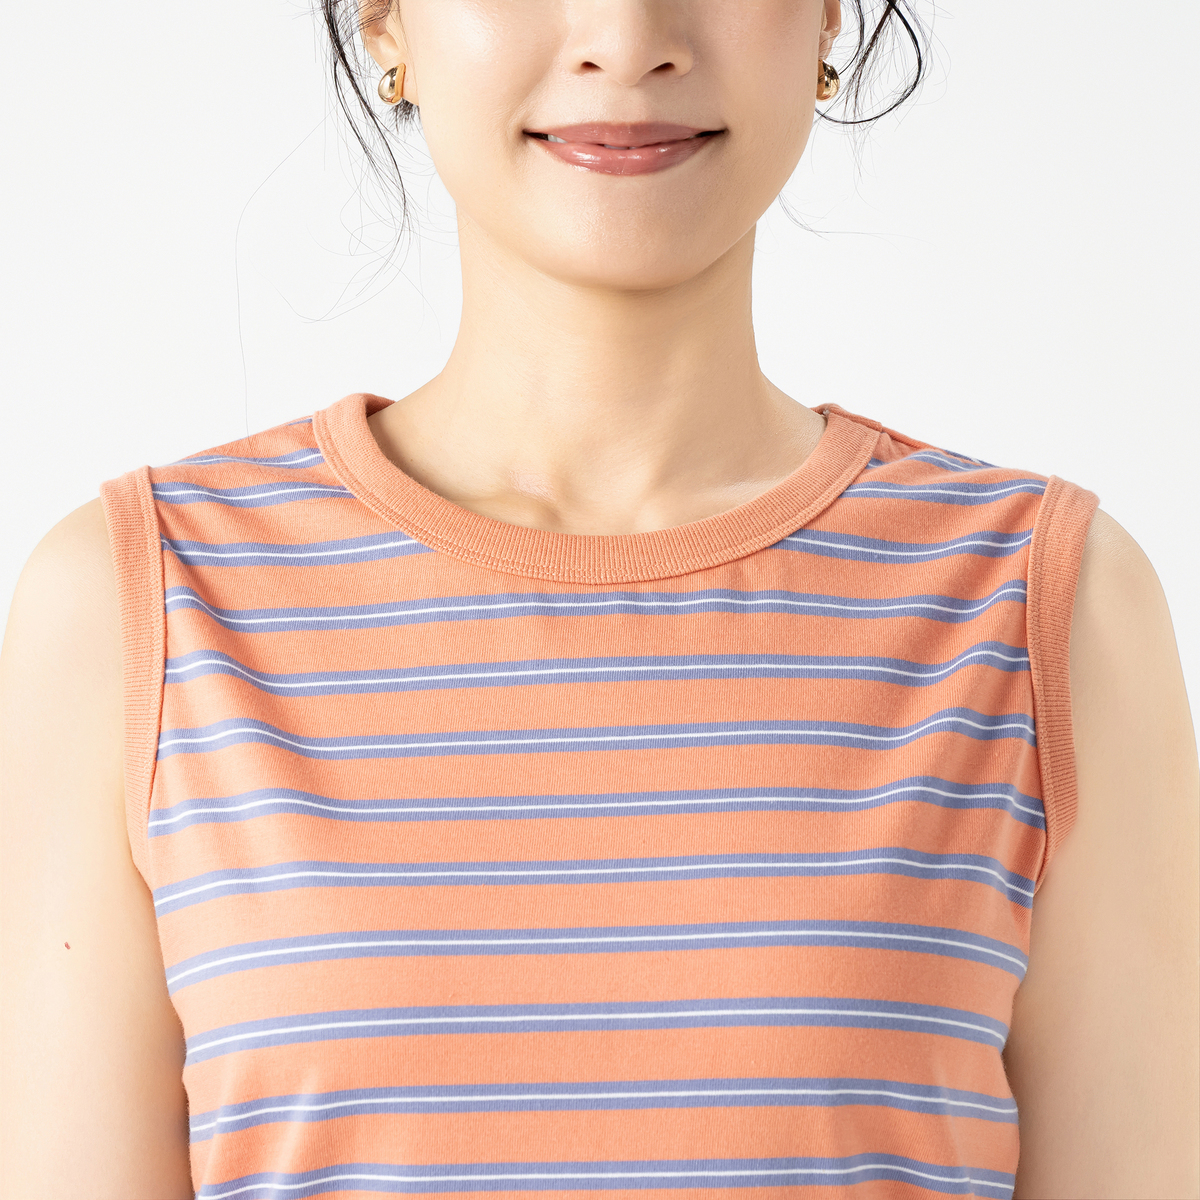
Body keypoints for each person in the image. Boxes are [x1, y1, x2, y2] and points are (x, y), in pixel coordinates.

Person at [2, 1, 1197, 1197]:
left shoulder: (1052, 608)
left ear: (831, 15)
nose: (626, 40)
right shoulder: (133, 611)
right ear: (385, 21)